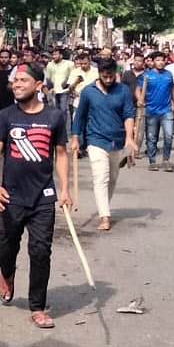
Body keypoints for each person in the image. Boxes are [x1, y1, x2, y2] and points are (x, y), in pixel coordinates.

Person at [0, 61, 71, 329]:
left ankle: (37, 307)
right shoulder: (5, 117)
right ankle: (7, 273)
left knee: (40, 251)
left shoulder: (55, 117)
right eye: (15, 81)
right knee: (5, 247)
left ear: (38, 85)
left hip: (43, 197)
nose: (17, 85)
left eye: (23, 80)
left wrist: (65, 189)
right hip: (10, 197)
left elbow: (60, 155)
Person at [71, 56, 135, 230]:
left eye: (111, 76)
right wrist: (75, 137)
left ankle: (104, 205)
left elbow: (129, 114)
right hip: (95, 140)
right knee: (101, 178)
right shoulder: (88, 91)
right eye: (104, 76)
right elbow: (80, 116)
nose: (108, 80)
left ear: (115, 74)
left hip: (117, 141)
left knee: (112, 179)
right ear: (99, 74)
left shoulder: (123, 91)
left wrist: (129, 137)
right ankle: (104, 216)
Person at [137, 50, 174, 172]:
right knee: (152, 137)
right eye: (157, 60)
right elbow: (138, 89)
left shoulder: (169, 75)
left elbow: (172, 90)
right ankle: (152, 161)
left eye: (162, 60)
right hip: (151, 110)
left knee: (169, 135)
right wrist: (140, 100)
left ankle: (166, 160)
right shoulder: (146, 76)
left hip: (166, 110)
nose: (160, 63)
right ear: (153, 62)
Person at [43, 46, 74, 131]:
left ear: (61, 55)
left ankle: (63, 128)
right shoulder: (50, 65)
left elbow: (73, 74)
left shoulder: (69, 64)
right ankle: (57, 126)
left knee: (63, 109)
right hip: (54, 90)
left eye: (56, 54)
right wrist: (49, 89)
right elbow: (48, 78)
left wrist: (68, 82)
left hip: (64, 90)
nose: (54, 56)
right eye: (53, 54)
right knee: (55, 109)